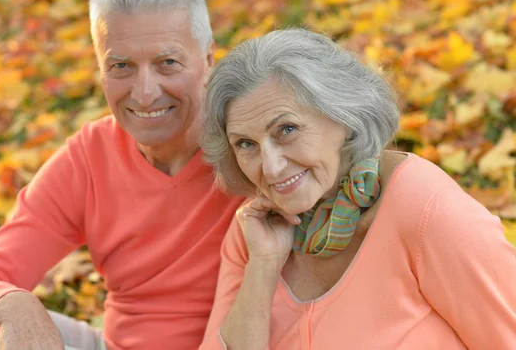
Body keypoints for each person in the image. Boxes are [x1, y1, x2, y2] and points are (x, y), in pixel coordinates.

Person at [0, 0, 244, 350]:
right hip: (114, 345)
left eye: (167, 63)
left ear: (208, 60)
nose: (144, 93)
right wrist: (12, 303)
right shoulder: (91, 156)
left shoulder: (252, 146)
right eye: (121, 66)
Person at [198, 28, 516, 350]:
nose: (271, 167)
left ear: (343, 115)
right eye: (246, 144)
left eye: (287, 129)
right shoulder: (252, 232)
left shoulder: (426, 210)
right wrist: (263, 265)